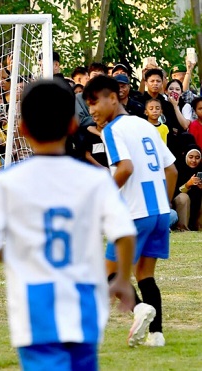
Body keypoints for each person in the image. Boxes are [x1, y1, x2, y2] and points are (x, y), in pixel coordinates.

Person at [0, 79, 137, 371]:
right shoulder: (96, 180)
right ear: (74, 126)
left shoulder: (5, 183)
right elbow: (124, 232)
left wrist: (24, 255)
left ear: (22, 129)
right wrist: (123, 279)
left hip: (35, 306)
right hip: (84, 301)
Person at [84, 75, 178, 347]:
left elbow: (125, 168)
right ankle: (157, 336)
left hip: (134, 213)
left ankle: (139, 309)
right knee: (145, 274)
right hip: (159, 211)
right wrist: (165, 203)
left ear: (113, 98)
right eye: (88, 106)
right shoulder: (145, 125)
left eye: (95, 103)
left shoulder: (113, 130)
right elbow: (170, 169)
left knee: (108, 272)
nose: (92, 111)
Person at [172, 146, 202, 231]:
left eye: (197, 158)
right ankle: (182, 228)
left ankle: (199, 227)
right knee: (183, 197)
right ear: (185, 157)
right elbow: (175, 191)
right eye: (191, 157)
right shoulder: (178, 170)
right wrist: (188, 184)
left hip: (196, 203)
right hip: (179, 203)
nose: (194, 161)